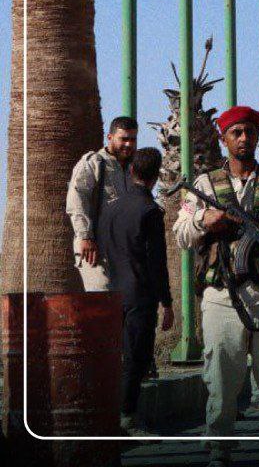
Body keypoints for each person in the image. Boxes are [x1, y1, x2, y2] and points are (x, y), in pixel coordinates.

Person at [173, 106, 259, 467]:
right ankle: (219, 450)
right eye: (236, 132)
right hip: (222, 296)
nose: (244, 138)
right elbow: (181, 234)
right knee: (221, 379)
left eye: (250, 131)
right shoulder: (204, 185)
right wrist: (204, 219)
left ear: (257, 136)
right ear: (224, 138)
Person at [95, 146, 173, 436]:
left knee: (114, 357)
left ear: (131, 171)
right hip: (140, 294)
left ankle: (109, 416)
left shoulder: (110, 210)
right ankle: (127, 417)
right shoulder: (150, 211)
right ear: (157, 176)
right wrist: (167, 302)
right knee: (136, 358)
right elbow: (157, 261)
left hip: (112, 291)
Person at [66, 115, 139, 291]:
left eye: (133, 139)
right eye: (124, 139)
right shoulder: (93, 163)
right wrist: (85, 236)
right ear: (110, 137)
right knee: (102, 298)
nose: (128, 144)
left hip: (124, 251)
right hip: (95, 249)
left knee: (125, 303)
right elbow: (76, 200)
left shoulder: (134, 168)